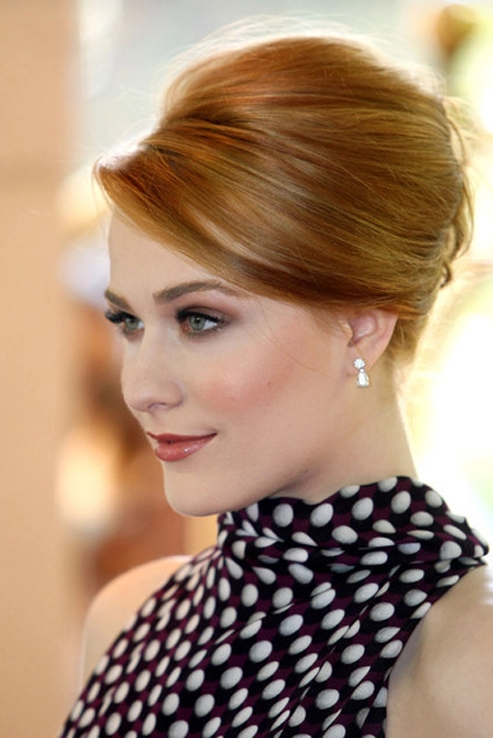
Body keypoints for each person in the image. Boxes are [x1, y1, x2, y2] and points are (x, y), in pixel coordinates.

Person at [59, 21, 493, 738]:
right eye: (128, 321)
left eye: (199, 319)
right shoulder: (127, 620)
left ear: (360, 325)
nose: (141, 388)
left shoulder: (473, 659)